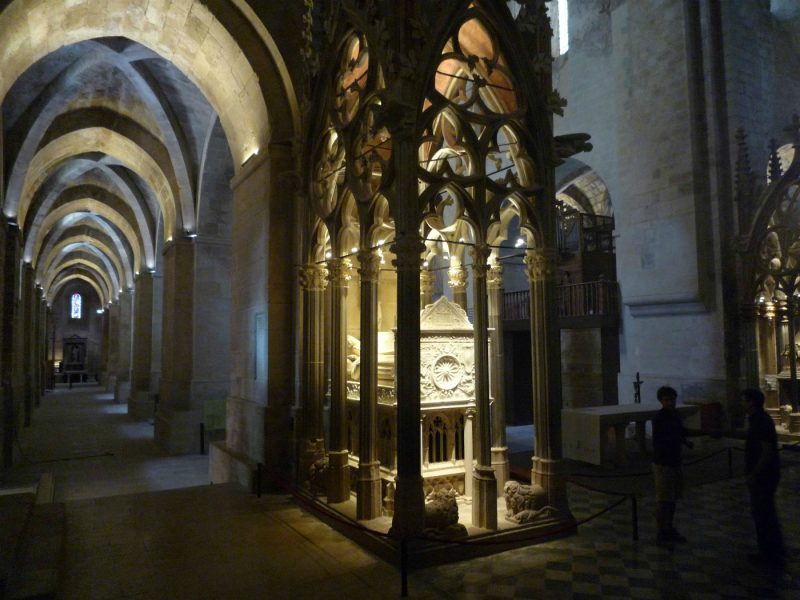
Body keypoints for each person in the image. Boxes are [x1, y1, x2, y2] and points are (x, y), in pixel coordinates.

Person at [740, 388, 785, 567]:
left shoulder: (761, 421)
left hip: (764, 475)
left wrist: (754, 473)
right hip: (764, 473)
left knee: (763, 514)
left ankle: (770, 554)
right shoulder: (758, 419)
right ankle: (772, 550)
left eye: (743, 400)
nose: (741, 403)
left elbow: (767, 451)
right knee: (764, 513)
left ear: (751, 402)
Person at [652, 385, 693, 545]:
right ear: (661, 401)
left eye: (672, 399)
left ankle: (669, 528)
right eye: (667, 400)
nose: (670, 403)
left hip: (675, 460)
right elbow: (667, 437)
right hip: (663, 462)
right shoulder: (660, 418)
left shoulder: (675, 415)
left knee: (673, 497)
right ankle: (662, 531)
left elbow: (679, 431)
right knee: (663, 499)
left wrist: (686, 442)